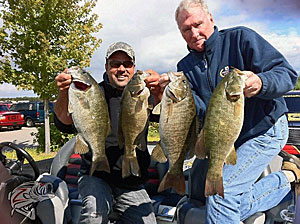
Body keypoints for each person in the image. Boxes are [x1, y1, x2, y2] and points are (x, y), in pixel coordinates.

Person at [157, 0, 300, 223]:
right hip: (227, 138)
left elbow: (286, 74)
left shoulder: (240, 38)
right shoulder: (185, 67)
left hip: (266, 129)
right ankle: (289, 177)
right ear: (180, 32)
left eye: (198, 24)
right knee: (210, 198)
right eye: (186, 29)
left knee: (222, 197)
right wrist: (168, 99)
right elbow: (201, 111)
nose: (194, 33)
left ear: (211, 19)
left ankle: (286, 178)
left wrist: (261, 82)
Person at [54, 41, 160, 224]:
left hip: (131, 182)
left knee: (148, 221)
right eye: (115, 64)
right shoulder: (93, 92)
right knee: (94, 215)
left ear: (134, 68)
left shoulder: (143, 94)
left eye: (127, 64)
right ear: (106, 67)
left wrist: (160, 91)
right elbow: (63, 124)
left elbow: (167, 115)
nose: (121, 69)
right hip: (95, 176)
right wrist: (63, 92)